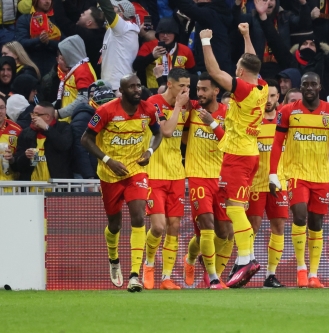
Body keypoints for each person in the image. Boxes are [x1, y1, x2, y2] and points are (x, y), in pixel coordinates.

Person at [81, 74, 167, 292]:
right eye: (132, 86)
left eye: (139, 85)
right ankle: (113, 259)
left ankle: (134, 275)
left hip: (135, 171)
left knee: (138, 216)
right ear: (122, 90)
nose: (137, 89)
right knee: (115, 225)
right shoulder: (107, 111)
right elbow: (85, 139)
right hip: (110, 174)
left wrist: (149, 151)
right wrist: (108, 160)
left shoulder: (148, 110)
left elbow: (158, 134)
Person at [200, 24, 268, 288]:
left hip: (237, 156)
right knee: (237, 207)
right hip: (249, 154)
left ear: (240, 72)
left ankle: (245, 259)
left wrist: (206, 41)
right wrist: (246, 36)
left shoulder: (245, 91)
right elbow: (253, 62)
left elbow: (214, 72)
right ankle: (246, 258)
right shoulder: (262, 87)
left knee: (234, 208)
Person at [269, 72, 329, 288]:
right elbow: (276, 143)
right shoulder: (288, 111)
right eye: (305, 84)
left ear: (320, 87)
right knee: (300, 216)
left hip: (320, 175)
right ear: (300, 87)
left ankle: (314, 274)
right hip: (296, 173)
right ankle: (301, 269)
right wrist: (273, 173)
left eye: (313, 84)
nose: (309, 88)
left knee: (316, 223)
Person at [182, 72, 233, 290]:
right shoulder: (192, 108)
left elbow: (230, 144)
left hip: (221, 178)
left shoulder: (227, 114)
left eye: (204, 89)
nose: (200, 94)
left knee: (223, 233)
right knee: (207, 228)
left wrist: (212, 124)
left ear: (216, 91)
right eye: (198, 89)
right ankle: (212, 278)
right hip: (197, 175)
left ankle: (190, 258)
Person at [141, 68, 191, 291]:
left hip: (177, 174)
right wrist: (179, 107)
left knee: (174, 226)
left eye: (188, 87)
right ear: (169, 84)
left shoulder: (187, 107)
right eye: (182, 86)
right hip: (155, 173)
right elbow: (167, 131)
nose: (186, 90)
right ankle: (148, 265)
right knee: (158, 226)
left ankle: (167, 277)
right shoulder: (154, 103)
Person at [246, 79, 287, 288]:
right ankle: (246, 265)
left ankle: (271, 274)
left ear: (278, 97)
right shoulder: (253, 121)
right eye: (266, 96)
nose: (269, 100)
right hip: (255, 182)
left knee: (278, 226)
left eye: (273, 96)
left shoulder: (283, 122)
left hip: (279, 182)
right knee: (252, 226)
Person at [13, 101, 73, 181]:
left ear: (47, 116)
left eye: (37, 114)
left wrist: (47, 128)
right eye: (32, 114)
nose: (33, 117)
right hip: (31, 188)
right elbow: (17, 166)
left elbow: (63, 145)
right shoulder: (25, 133)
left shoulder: (63, 128)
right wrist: (25, 156)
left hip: (57, 187)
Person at [133, 17, 195, 91]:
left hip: (177, 91)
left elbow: (193, 74)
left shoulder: (185, 50)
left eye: (169, 32)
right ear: (158, 34)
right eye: (162, 32)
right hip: (153, 91)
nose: (165, 36)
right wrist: (152, 56)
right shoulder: (148, 46)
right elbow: (136, 66)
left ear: (175, 34)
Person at [71, 81, 115, 180]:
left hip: (105, 170)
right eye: (105, 104)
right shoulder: (83, 117)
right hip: (87, 175)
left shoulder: (112, 117)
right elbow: (79, 148)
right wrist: (89, 176)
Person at [51, 0, 106, 78]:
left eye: (83, 15)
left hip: (86, 76)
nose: (81, 14)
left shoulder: (87, 36)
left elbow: (62, 21)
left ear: (89, 23)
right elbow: (76, 14)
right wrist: (65, 2)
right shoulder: (101, 33)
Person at [97, 0, 139, 91]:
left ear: (121, 14)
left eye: (114, 8)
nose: (112, 10)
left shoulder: (123, 28)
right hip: (116, 83)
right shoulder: (124, 29)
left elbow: (107, 9)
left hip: (116, 85)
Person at [55, 35, 97, 122]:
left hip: (75, 122)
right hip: (68, 121)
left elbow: (84, 99)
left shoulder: (83, 70)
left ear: (70, 53)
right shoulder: (76, 69)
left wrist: (59, 113)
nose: (62, 57)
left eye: (63, 54)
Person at [15, 0, 63, 77]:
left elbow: (64, 43)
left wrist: (48, 42)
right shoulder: (24, 19)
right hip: (31, 65)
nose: (48, 1)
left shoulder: (56, 19)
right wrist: (39, 40)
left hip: (53, 65)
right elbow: (20, 43)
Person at [0, 95, 22, 181]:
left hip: (9, 186)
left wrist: (12, 159)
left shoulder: (17, 130)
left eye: (1, 108)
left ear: (6, 109)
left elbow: (20, 161)